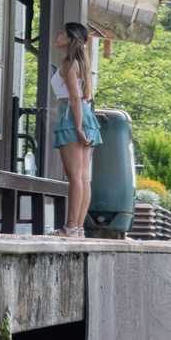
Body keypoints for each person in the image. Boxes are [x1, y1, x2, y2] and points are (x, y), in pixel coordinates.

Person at [48, 22, 102, 237]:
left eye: (61, 32)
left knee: (75, 177)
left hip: (73, 116)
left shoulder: (69, 63)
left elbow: (73, 97)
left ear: (70, 39)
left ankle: (70, 227)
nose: (57, 34)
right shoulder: (81, 62)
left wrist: (78, 127)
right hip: (84, 115)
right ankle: (77, 229)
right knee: (82, 177)